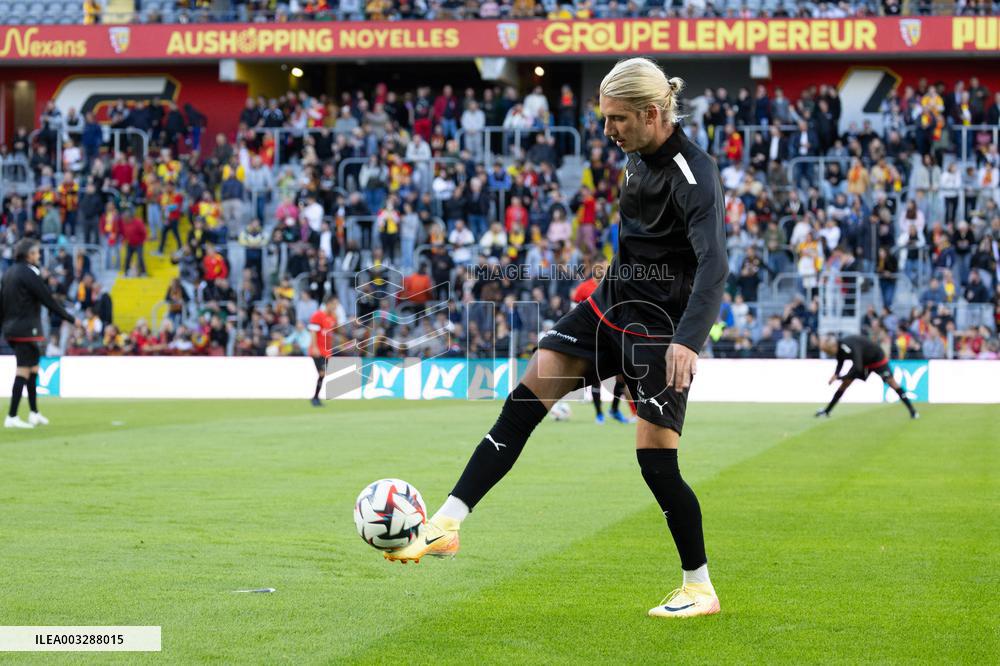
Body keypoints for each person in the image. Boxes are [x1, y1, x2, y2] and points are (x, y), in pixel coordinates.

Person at [383, 59, 728, 620]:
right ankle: (446, 523)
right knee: (521, 404)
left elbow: (714, 264)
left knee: (656, 463)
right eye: (605, 118)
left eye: (618, 119)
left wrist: (688, 341)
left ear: (653, 112)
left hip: (658, 334)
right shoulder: (634, 161)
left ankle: (699, 587)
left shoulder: (696, 175)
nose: (608, 130)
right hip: (609, 307)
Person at [1, 239, 80, 428]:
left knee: (34, 368)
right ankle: (11, 416)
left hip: (12, 327)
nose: (38, 256)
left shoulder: (9, 272)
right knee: (24, 370)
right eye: (36, 253)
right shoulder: (29, 272)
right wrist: (70, 318)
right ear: (29, 254)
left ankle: (34, 413)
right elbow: (47, 299)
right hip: (25, 328)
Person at [816, 334, 918, 419]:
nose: (828, 353)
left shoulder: (849, 345)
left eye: (828, 351)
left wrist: (841, 378)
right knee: (845, 384)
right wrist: (836, 374)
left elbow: (858, 368)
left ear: (833, 346)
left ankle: (912, 411)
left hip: (877, 360)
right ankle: (827, 411)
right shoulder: (840, 347)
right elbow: (840, 360)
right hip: (864, 362)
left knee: (892, 383)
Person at [308, 295, 339, 407]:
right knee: (322, 372)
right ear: (328, 304)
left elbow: (331, 333)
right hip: (318, 350)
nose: (336, 306)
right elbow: (313, 332)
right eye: (334, 304)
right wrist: (314, 347)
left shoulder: (333, 317)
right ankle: (315, 398)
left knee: (323, 374)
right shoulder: (317, 315)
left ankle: (315, 398)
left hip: (327, 351)